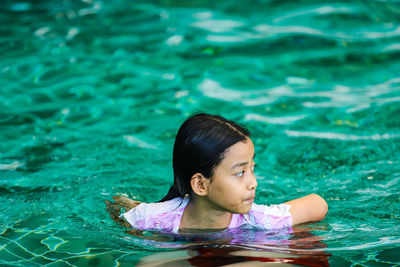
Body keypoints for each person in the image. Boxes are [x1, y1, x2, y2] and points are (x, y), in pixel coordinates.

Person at [106, 113, 328, 233]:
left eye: (252, 169)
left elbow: (318, 204)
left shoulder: (256, 220)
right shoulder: (154, 219)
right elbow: (119, 214)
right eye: (240, 172)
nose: (254, 183)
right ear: (201, 185)